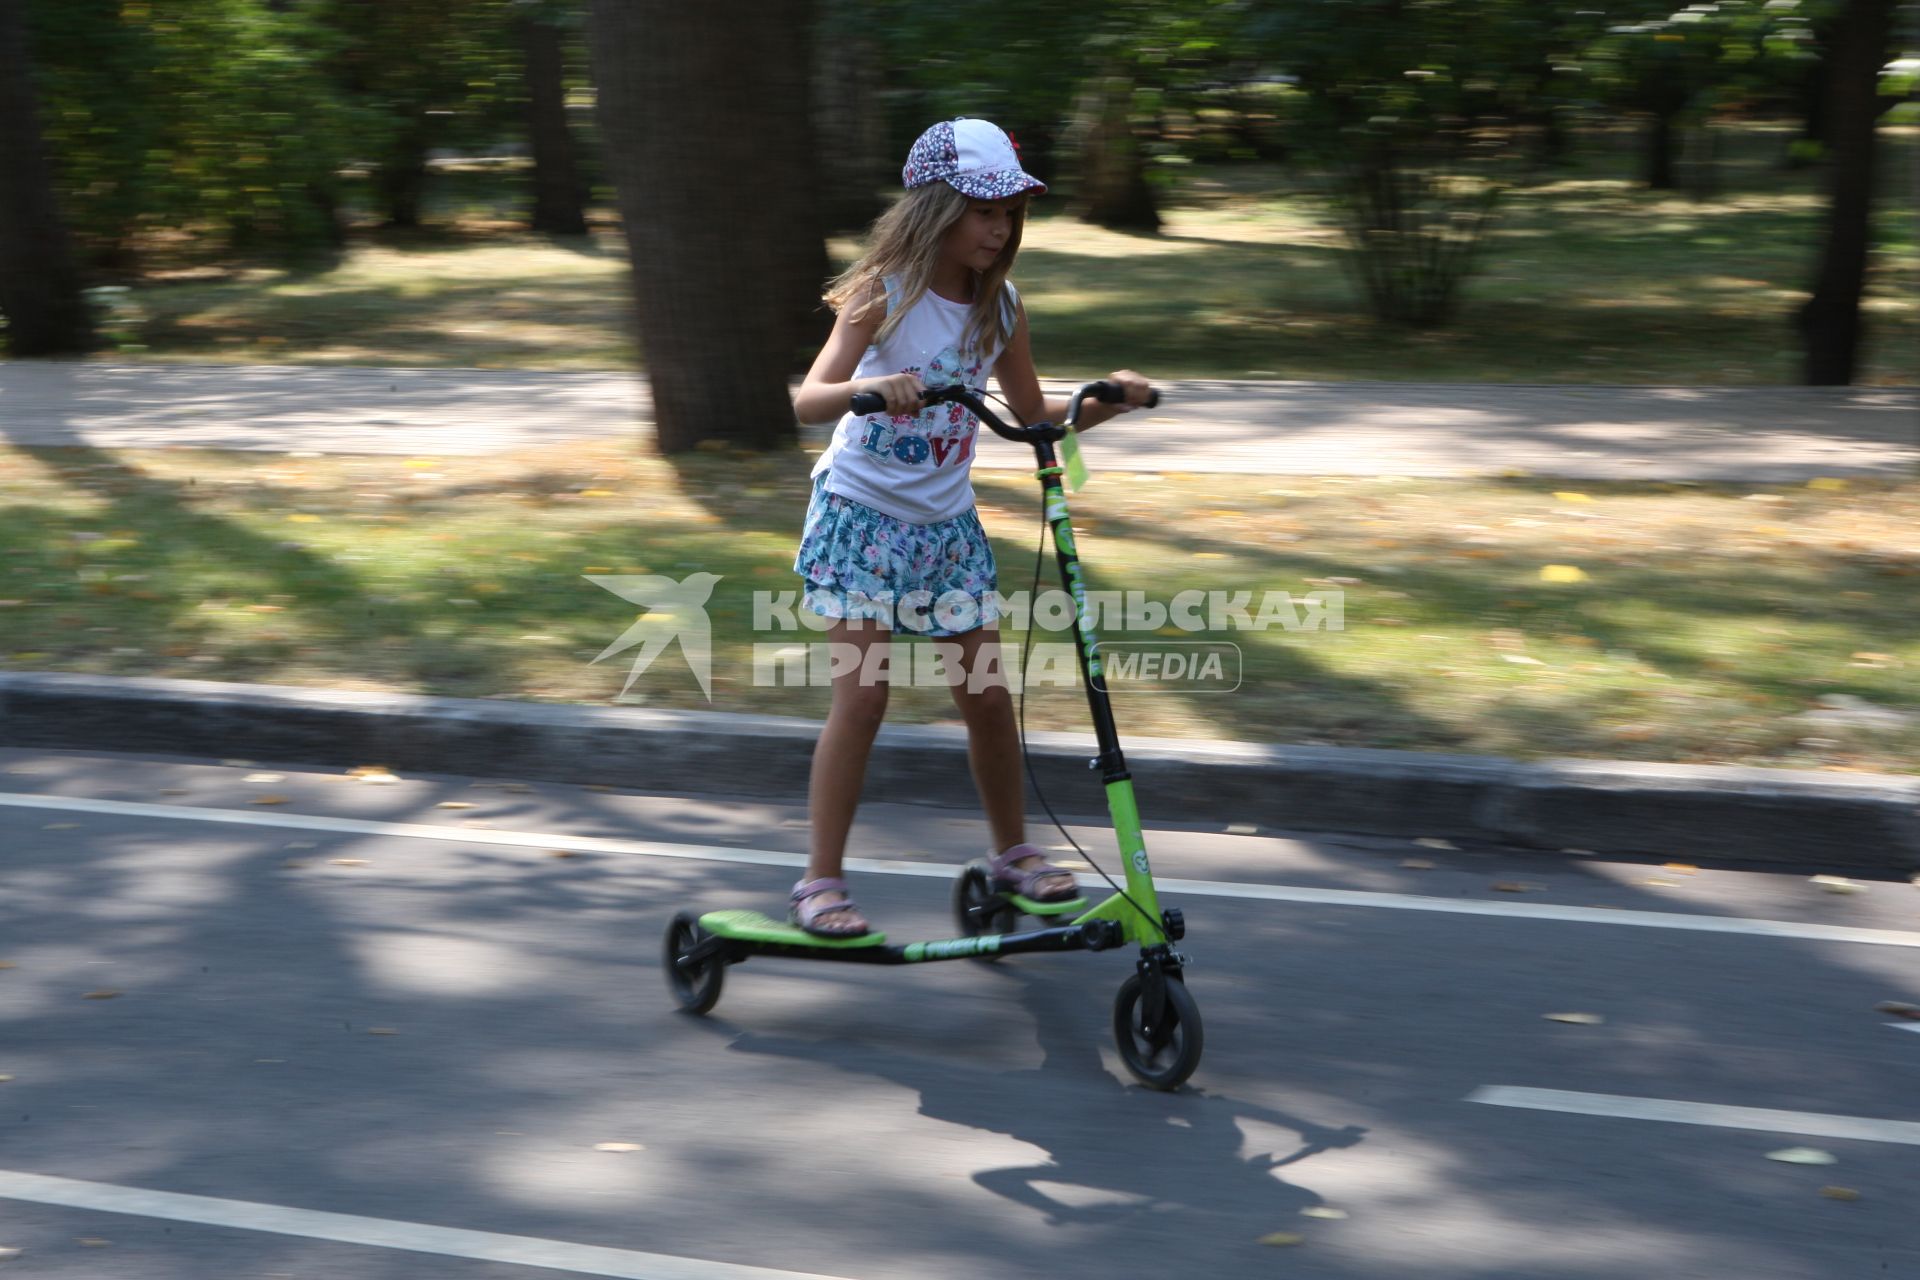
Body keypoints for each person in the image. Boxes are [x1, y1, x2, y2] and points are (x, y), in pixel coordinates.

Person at [786, 117, 1154, 937]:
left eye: (1010, 215)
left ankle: (1013, 854)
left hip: (946, 524)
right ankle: (820, 882)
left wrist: (1111, 398)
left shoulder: (1002, 306)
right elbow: (807, 400)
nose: (999, 229)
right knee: (865, 697)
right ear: (935, 208)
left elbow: (1034, 416)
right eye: (983, 211)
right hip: (863, 516)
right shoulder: (883, 294)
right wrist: (872, 388)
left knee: (988, 697)